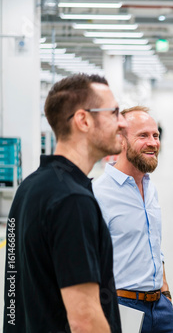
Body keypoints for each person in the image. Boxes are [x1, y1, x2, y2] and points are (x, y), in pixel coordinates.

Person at [3, 74, 126, 332]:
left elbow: (13, 294)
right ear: (83, 120)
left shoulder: (30, 187)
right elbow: (84, 321)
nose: (122, 123)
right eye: (114, 112)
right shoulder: (73, 201)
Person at [93, 106, 173, 333]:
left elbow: (154, 243)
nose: (153, 142)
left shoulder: (150, 189)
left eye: (156, 135)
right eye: (143, 136)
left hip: (160, 308)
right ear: (121, 141)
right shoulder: (98, 194)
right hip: (121, 307)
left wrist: (165, 291)